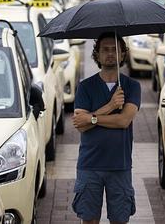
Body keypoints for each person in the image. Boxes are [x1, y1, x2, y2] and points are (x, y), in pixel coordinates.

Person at [71, 32, 141, 224]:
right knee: (89, 220)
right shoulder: (85, 87)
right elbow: (80, 125)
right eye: (105, 50)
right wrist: (110, 107)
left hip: (120, 165)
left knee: (120, 220)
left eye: (115, 50)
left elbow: (124, 121)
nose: (110, 54)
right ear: (97, 54)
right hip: (89, 165)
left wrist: (91, 117)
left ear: (122, 54)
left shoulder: (132, 86)